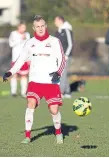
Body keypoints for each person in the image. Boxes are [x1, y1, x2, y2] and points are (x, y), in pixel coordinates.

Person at [3, 15, 66, 144]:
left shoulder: (54, 41)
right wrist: (10, 72)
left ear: (46, 26)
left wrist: (58, 73)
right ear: (34, 28)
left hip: (50, 82)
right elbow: (21, 59)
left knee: (54, 110)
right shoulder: (29, 42)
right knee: (30, 104)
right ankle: (27, 136)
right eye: (37, 26)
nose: (40, 28)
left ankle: (58, 132)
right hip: (35, 81)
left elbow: (62, 59)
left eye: (42, 26)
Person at [9, 21, 30, 97]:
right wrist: (20, 39)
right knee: (14, 75)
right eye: (22, 27)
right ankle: (13, 92)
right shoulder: (13, 34)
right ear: (19, 27)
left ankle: (23, 92)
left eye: (25, 27)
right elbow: (11, 44)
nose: (24, 29)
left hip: (24, 58)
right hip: (15, 58)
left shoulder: (27, 35)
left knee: (24, 75)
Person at [54, 16, 73, 98]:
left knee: (62, 74)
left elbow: (70, 44)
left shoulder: (67, 30)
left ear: (60, 21)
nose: (55, 22)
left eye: (56, 20)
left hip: (65, 56)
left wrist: (66, 55)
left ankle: (61, 92)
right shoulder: (57, 32)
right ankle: (67, 92)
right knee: (62, 74)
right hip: (58, 56)